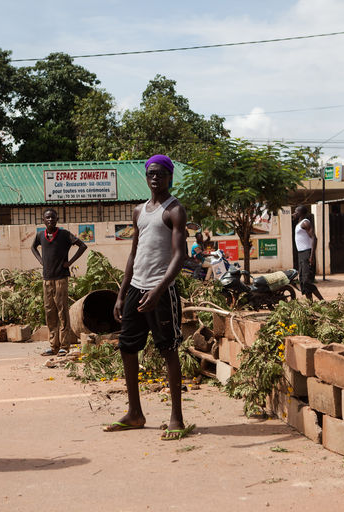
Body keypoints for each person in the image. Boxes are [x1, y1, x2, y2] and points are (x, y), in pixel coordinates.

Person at [106, 154, 189, 440]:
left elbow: (180, 256)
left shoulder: (174, 210)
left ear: (170, 177)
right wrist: (121, 293)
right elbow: (133, 254)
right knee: (128, 348)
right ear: (146, 177)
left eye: (161, 173)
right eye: (151, 173)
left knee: (168, 350)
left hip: (161, 292)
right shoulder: (139, 211)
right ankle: (135, 413)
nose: (155, 177)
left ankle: (176, 417)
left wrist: (158, 290)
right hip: (136, 289)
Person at [31, 208, 87, 356]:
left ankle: (64, 346)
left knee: (63, 312)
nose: (50, 220)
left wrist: (70, 262)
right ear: (43, 220)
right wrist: (41, 261)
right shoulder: (40, 236)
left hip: (61, 278)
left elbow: (83, 246)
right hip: (47, 279)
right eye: (47, 218)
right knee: (50, 312)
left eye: (52, 218)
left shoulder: (64, 234)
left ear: (57, 219)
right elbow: (33, 247)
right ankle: (53, 346)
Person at [292, 205, 324, 302]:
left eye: (296, 211)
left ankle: (322, 301)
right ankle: (310, 305)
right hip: (301, 254)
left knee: (306, 281)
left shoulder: (305, 223)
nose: (294, 213)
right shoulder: (298, 224)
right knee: (302, 281)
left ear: (301, 213)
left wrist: (311, 256)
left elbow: (314, 238)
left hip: (306, 253)